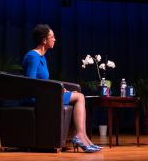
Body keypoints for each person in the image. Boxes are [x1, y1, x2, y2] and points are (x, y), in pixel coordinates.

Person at [22, 24, 100, 153]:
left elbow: (44, 82)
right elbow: (31, 83)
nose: (55, 39)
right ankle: (80, 136)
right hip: (37, 99)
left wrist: (60, 90)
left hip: (45, 96)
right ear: (44, 40)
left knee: (78, 96)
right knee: (79, 97)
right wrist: (56, 91)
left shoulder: (42, 57)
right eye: (52, 37)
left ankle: (84, 138)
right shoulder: (33, 56)